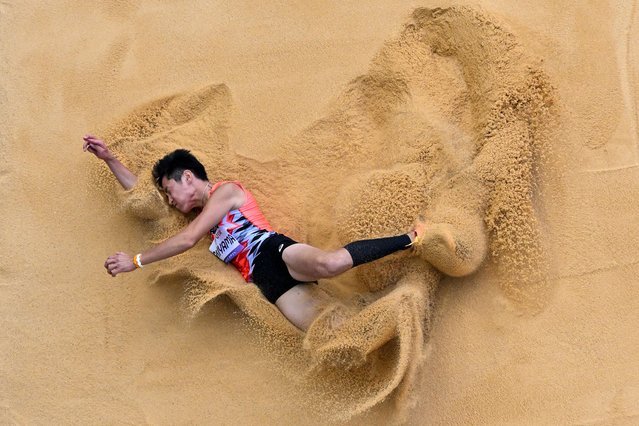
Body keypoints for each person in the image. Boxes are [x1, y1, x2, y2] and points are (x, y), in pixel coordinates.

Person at [83, 134, 424, 331]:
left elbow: (186, 240)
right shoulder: (202, 218)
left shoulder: (226, 192)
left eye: (170, 189)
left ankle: (410, 238)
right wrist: (109, 159)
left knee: (331, 264)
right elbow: (147, 198)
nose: (169, 199)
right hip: (266, 281)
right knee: (329, 332)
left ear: (188, 177)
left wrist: (137, 260)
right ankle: (400, 323)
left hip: (275, 250)